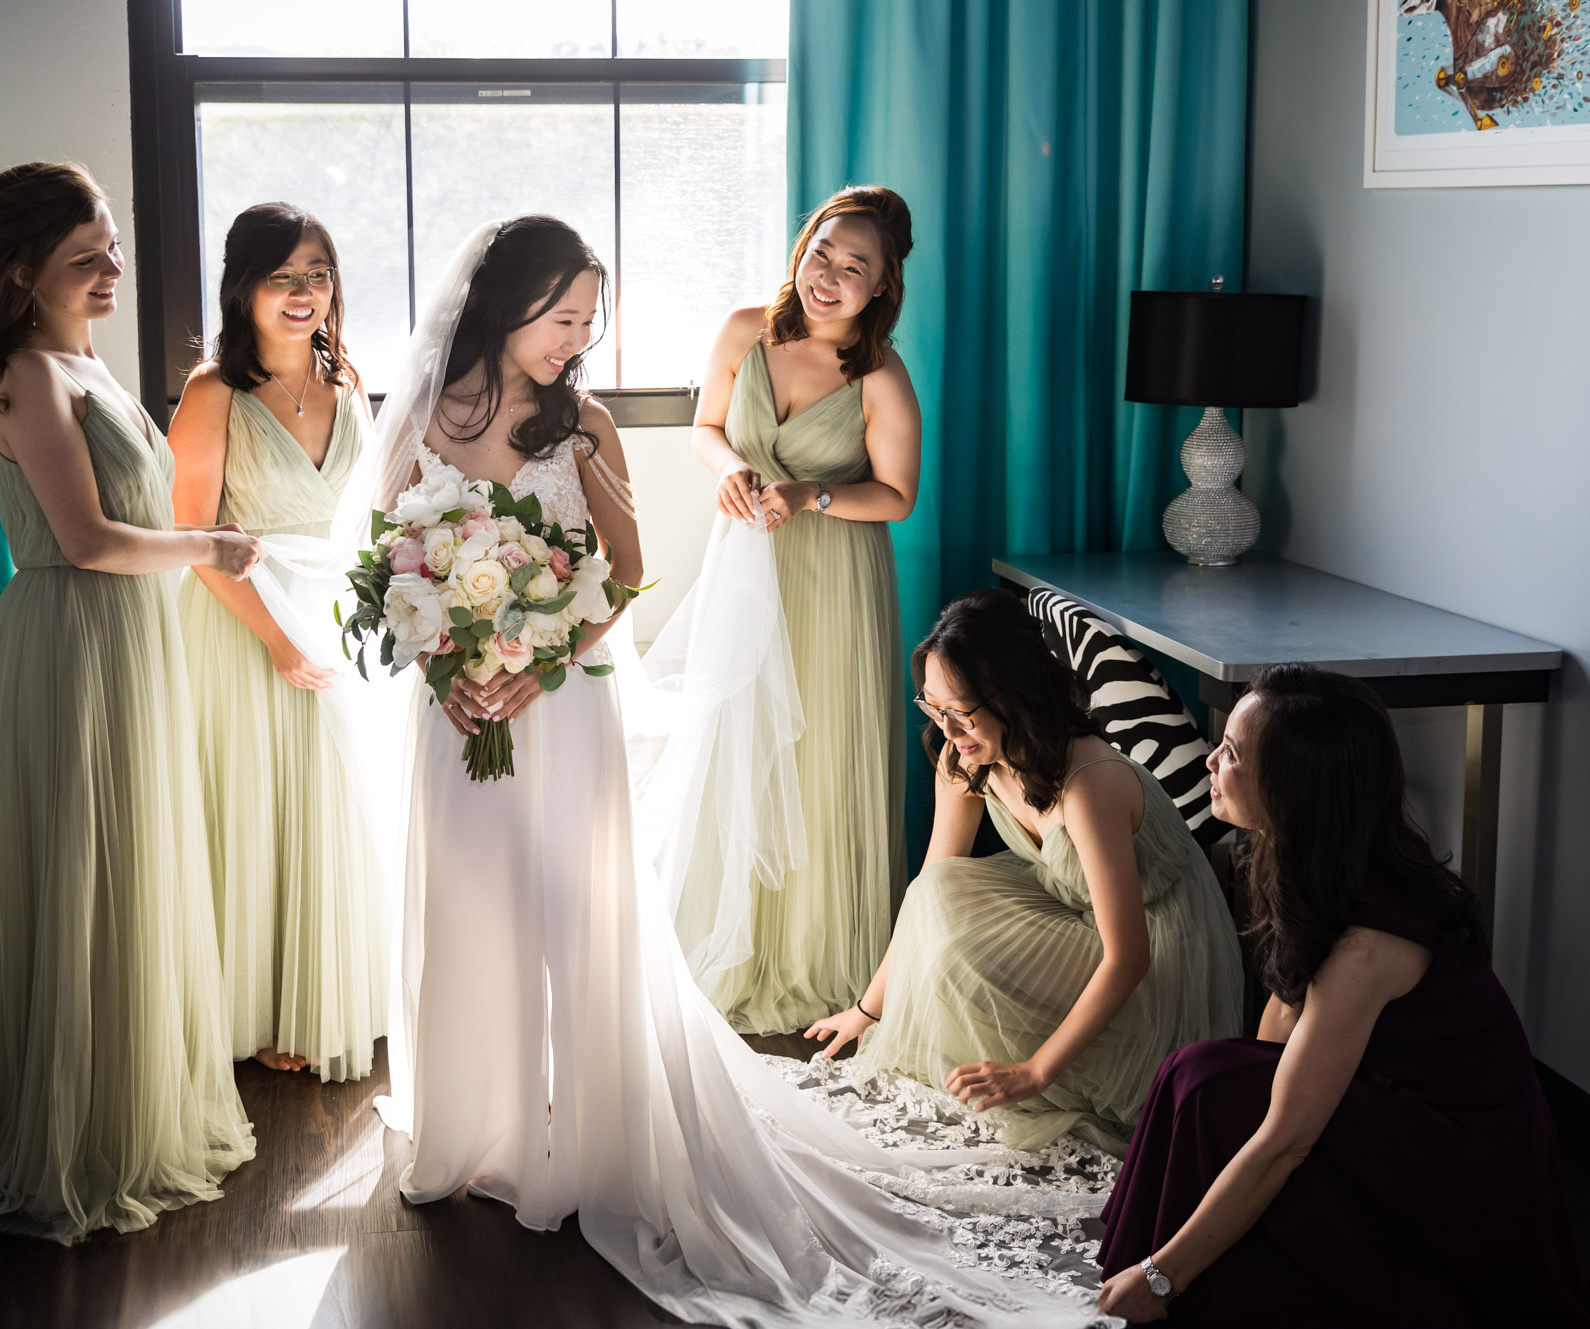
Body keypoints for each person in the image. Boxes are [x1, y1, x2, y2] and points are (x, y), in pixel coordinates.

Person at [370, 217, 1106, 1328]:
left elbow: (619, 580)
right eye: (562, 319)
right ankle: (469, 1123)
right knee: (467, 910)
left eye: (588, 322)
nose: (577, 342)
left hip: (561, 709)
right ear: (502, 304)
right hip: (453, 710)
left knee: (567, 914)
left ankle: (558, 1135)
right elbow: (382, 564)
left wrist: (535, 668)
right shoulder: (421, 419)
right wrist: (450, 660)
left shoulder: (590, 428)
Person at [0, 162, 257, 1243]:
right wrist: (209, 548)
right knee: (79, 874)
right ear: (23, 273)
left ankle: (122, 1106)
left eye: (112, 244)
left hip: (125, 641)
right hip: (68, 646)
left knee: (128, 868)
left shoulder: (81, 357)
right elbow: (88, 542)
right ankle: (61, 1133)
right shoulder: (24, 373)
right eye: (86, 257)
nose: (112, 267)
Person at [1096, 664, 1590, 1325]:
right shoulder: (1310, 856)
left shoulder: (1369, 945)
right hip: (1398, 1106)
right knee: (1205, 1072)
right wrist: (1239, 1101)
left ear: (1292, 788)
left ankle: (1165, 1282)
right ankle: (1154, 1254)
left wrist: (1164, 1277)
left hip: (1458, 1170)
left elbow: (1286, 1141)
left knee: (1212, 1084)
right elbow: (1281, 1016)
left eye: (1234, 752)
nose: (1212, 757)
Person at [806, 589, 1243, 1156]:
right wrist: (868, 1011)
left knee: (965, 943)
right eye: (932, 708)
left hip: (1160, 945)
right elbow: (931, 886)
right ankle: (1018, 1053)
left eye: (961, 712)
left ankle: (1058, 1063)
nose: (947, 729)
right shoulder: (964, 759)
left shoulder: (1089, 782)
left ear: (1016, 696)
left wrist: (1036, 1072)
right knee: (938, 891)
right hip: (1071, 907)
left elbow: (1129, 956)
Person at [675, 185, 921, 1034]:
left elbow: (896, 497)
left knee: (820, 755)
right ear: (801, 248)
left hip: (832, 580)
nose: (831, 275)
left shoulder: (879, 375)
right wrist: (728, 471)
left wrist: (813, 489)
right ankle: (737, 940)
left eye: (855, 267)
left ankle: (820, 953)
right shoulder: (745, 330)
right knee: (739, 744)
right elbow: (705, 426)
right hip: (745, 566)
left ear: (881, 287)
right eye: (824, 252)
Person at [169, 202, 384, 1080]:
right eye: (282, 276)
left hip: (334, 617)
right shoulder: (213, 391)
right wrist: (274, 641)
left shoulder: (348, 378)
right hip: (241, 619)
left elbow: (364, 517)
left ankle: (324, 995)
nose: (303, 293)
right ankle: (253, 1009)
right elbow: (191, 533)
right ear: (244, 286)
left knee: (330, 812)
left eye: (318, 274)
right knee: (255, 813)